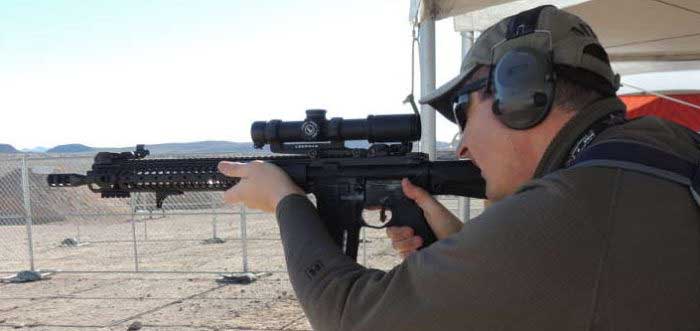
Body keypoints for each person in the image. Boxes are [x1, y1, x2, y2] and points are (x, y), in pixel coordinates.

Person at [218, 5, 700, 330]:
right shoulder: (659, 151)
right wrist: (460, 249)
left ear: (519, 94)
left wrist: (284, 200)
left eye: (462, 114)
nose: (463, 145)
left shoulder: (576, 207)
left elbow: (351, 318)